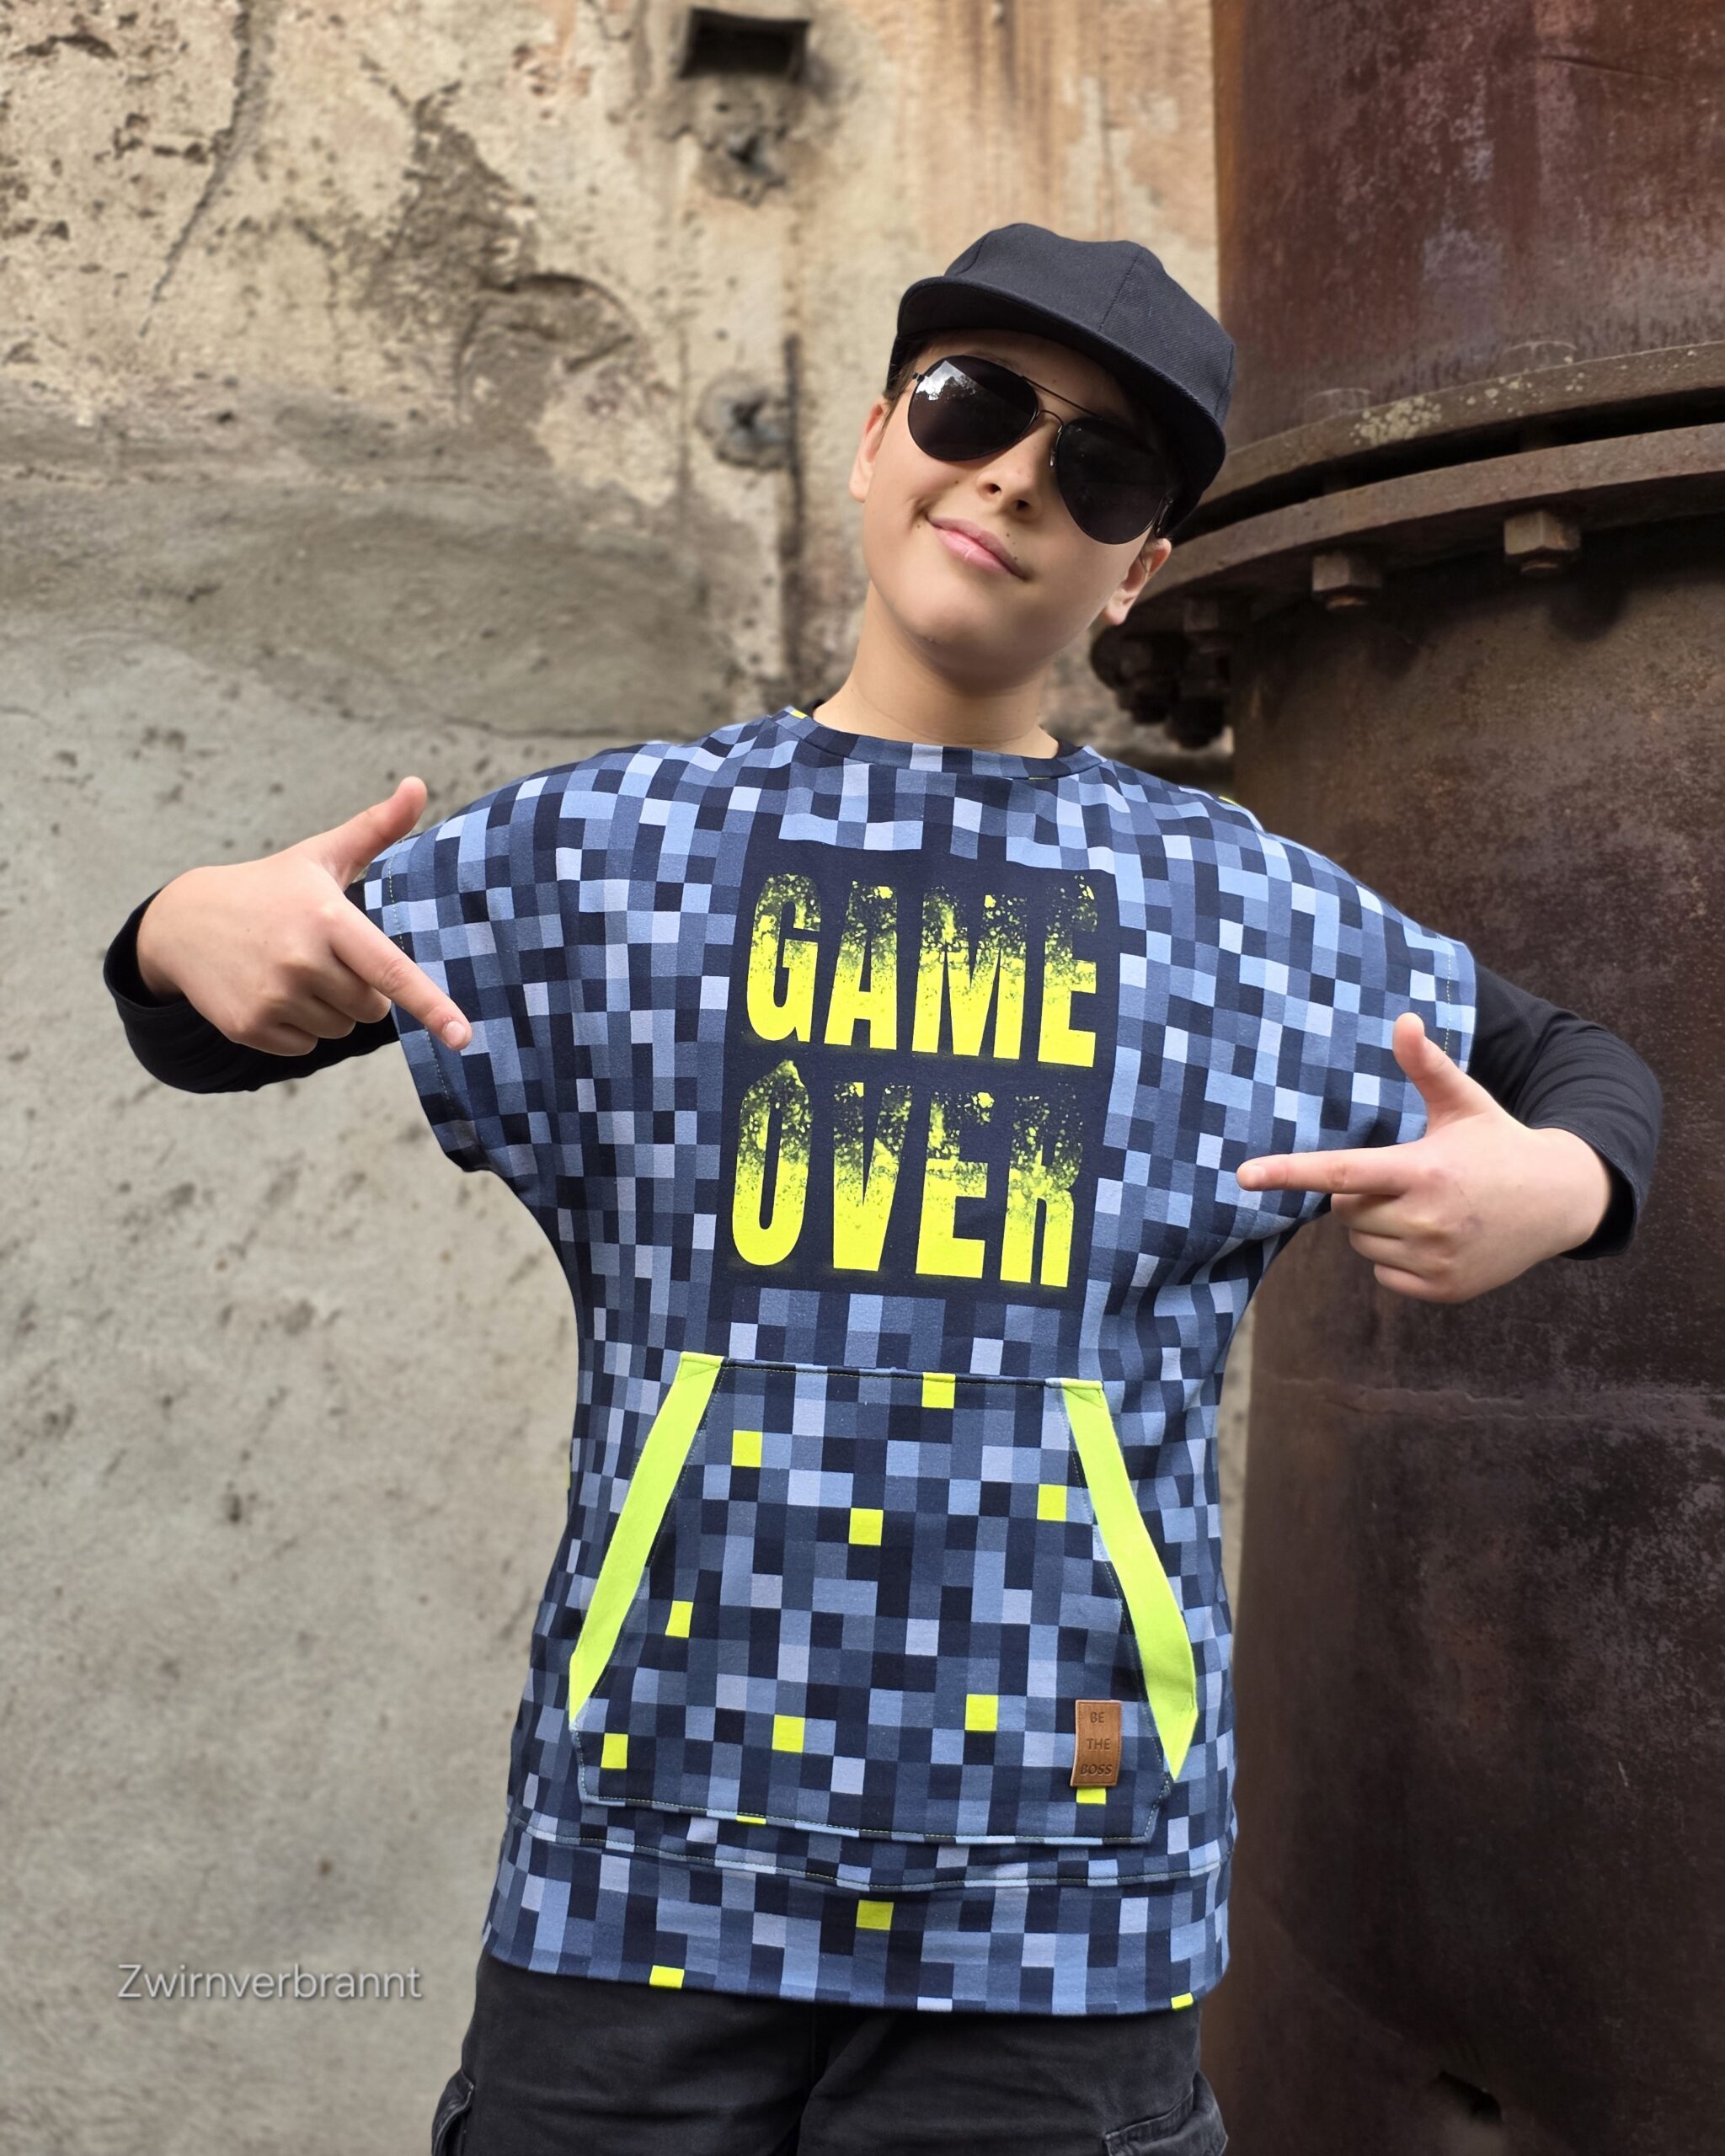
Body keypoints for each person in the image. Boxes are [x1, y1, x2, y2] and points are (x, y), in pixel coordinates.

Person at [103, 225, 1661, 2156]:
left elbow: (1575, 1065)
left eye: (1100, 466)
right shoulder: (615, 857)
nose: (1013, 476)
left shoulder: (1240, 912)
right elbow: (223, 1009)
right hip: (639, 1880)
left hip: (1061, 1910)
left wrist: (1560, 1179)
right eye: (970, 403)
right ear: (871, 439)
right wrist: (181, 921)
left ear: (1139, 567)